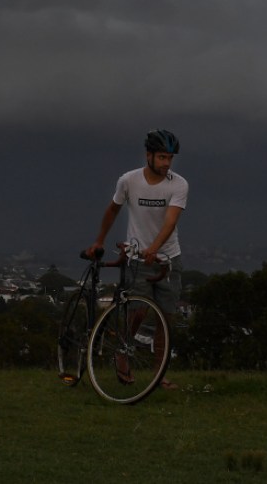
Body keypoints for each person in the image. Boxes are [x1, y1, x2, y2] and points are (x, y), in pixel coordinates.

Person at [85, 128, 188, 388]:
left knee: (166, 318)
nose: (166, 163)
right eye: (162, 157)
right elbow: (113, 210)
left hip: (168, 258)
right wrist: (99, 241)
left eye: (170, 158)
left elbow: (171, 220)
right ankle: (122, 354)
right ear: (148, 155)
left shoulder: (179, 184)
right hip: (137, 258)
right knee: (138, 311)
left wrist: (155, 248)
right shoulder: (128, 181)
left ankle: (159, 375)